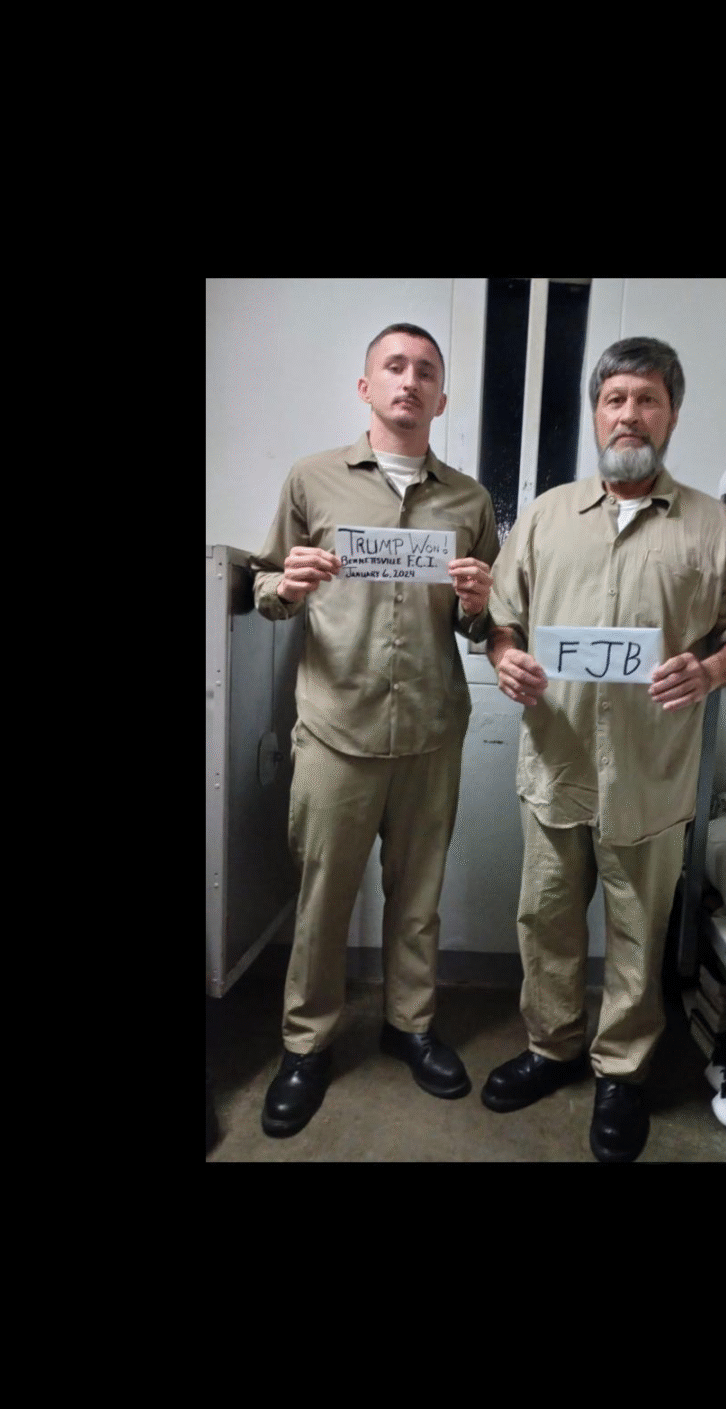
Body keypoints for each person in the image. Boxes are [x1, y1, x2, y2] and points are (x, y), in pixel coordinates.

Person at [481, 336, 726, 1162]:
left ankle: (622, 1072)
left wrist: (709, 669)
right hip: (557, 768)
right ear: (595, 412)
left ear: (672, 413)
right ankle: (552, 1047)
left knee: (640, 933)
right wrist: (505, 657)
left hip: (652, 780)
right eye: (615, 398)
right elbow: (500, 620)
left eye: (647, 398)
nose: (629, 413)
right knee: (544, 920)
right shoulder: (542, 518)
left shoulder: (716, 529)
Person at [247, 323, 500, 1139]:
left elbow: (483, 624)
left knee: (417, 897)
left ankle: (411, 1027)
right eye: (394, 366)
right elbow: (262, 587)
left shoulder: (469, 500)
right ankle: (307, 1044)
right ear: (366, 388)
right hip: (334, 726)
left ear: (441, 397)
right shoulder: (312, 479)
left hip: (431, 728)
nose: (409, 381)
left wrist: (478, 606)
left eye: (426, 371)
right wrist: (283, 583)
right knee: (323, 899)